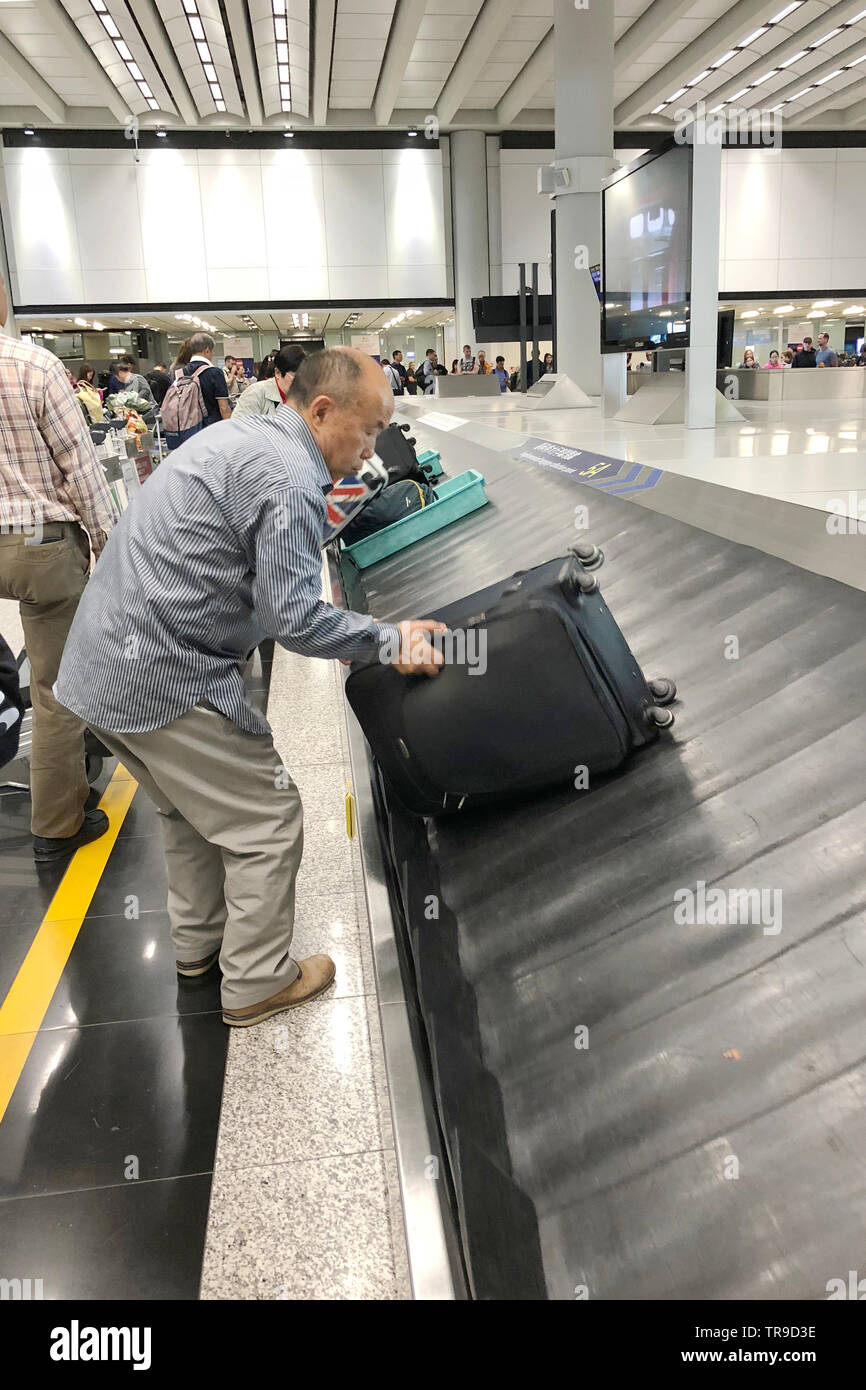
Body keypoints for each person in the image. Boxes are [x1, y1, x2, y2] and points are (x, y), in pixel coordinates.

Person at [55, 348, 446, 1028]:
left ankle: (198, 951)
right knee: (268, 819)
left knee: (187, 812)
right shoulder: (291, 478)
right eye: (370, 428)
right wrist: (390, 639)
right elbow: (296, 619)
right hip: (160, 673)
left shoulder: (248, 437)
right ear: (321, 411)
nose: (372, 448)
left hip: (101, 664)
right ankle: (258, 981)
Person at [0, 269, 119, 860]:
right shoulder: (33, 365)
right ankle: (57, 824)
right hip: (40, 543)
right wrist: (109, 542)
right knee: (52, 686)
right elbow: (81, 464)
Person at [173, 331, 230, 427]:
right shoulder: (215, 373)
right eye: (212, 351)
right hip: (211, 429)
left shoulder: (178, 374)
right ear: (207, 351)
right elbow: (223, 408)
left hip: (186, 429)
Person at [233, 346, 306, 418]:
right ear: (278, 373)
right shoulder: (255, 393)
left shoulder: (305, 397)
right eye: (296, 377)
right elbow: (237, 427)